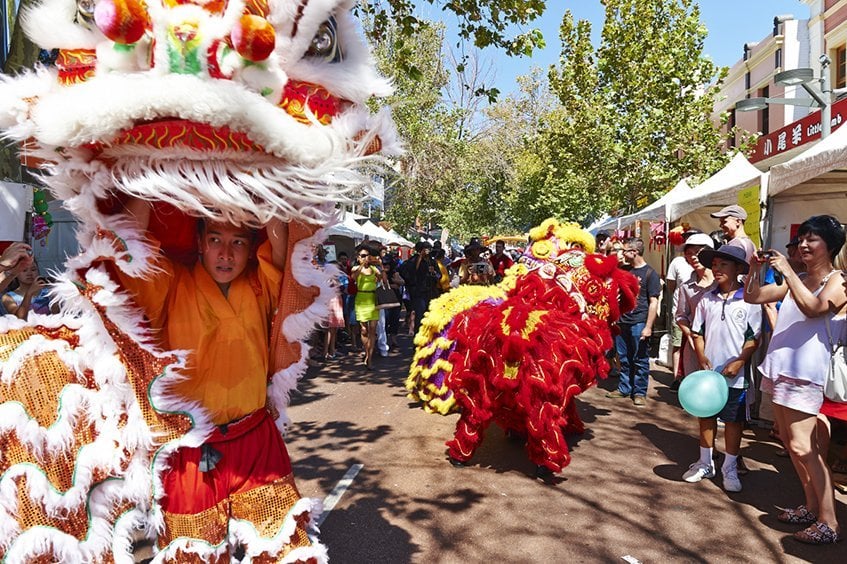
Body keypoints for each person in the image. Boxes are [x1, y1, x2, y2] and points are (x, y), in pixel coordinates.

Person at [114, 198, 316, 555]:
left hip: (256, 440)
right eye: (215, 240)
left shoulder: (259, 286)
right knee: (190, 555)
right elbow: (130, 246)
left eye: (238, 242)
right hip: (190, 450)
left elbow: (284, 257)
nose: (226, 253)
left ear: (251, 249)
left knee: (286, 547)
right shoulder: (171, 282)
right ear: (199, 243)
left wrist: (266, 192)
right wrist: (142, 178)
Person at [745, 215, 846, 544]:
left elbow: (815, 308)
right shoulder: (797, 278)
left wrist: (787, 270)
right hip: (781, 370)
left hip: (806, 374)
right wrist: (754, 268)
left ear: (829, 245)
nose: (803, 244)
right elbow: (753, 296)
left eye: (811, 239)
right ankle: (811, 506)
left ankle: (829, 522)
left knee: (806, 448)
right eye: (801, 237)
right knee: (792, 445)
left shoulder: (838, 280)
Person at [682, 245, 761, 492]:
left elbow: (753, 337)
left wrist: (740, 361)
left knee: (734, 422)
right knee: (705, 416)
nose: (716, 269)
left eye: (723, 264)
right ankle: (705, 463)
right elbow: (698, 333)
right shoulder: (707, 298)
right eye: (714, 264)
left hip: (736, 377)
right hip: (709, 376)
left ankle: (730, 466)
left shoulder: (749, 300)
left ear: (738, 268)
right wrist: (701, 355)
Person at [606, 238, 661, 406]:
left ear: (634, 252)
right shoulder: (623, 270)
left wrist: (648, 326)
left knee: (640, 358)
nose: (622, 253)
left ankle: (639, 392)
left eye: (625, 250)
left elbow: (654, 302)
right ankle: (624, 388)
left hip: (639, 322)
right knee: (623, 357)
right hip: (622, 321)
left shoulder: (650, 273)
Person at [674, 233, 716, 387]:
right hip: (693, 347)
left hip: (720, 343)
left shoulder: (723, 282)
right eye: (689, 253)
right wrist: (690, 335)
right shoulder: (686, 286)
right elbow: (681, 315)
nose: (694, 257)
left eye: (698, 252)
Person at [666, 230, 698, 385]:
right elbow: (671, 285)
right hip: (680, 313)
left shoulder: (706, 265)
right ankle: (677, 378)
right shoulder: (676, 262)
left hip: (698, 317)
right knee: (678, 345)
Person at [352, 241, 386, 369]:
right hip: (361, 299)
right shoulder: (356, 269)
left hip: (373, 299)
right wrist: (362, 265)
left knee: (372, 330)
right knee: (364, 330)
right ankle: (366, 351)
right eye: (362, 256)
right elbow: (354, 277)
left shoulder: (374, 269)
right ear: (358, 257)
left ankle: (369, 357)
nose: (365, 258)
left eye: (367, 255)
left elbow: (384, 280)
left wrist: (381, 266)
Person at [400, 241, 439, 334]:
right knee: (419, 318)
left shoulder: (432, 261)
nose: (427, 251)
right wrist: (412, 284)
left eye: (429, 249)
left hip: (431, 292)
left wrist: (433, 273)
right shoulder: (413, 261)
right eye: (425, 249)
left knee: (431, 317)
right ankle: (418, 340)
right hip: (418, 293)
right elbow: (405, 273)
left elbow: (439, 275)